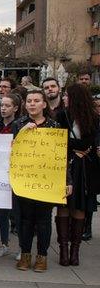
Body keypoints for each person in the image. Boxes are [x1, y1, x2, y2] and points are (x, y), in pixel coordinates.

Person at [14, 90, 62, 272]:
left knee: (43, 220)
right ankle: (25, 254)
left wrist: (67, 181)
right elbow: (10, 151)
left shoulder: (54, 126)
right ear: (25, 105)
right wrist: (22, 133)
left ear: (44, 104)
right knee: (25, 220)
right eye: (29, 101)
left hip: (47, 181)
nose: (32, 104)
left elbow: (60, 156)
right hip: (24, 179)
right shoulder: (19, 124)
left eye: (36, 101)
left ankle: (42, 256)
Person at [55, 83, 99, 266]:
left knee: (80, 207)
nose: (64, 98)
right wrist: (79, 147)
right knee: (63, 204)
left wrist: (77, 146)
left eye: (67, 96)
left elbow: (92, 141)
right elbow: (58, 140)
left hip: (85, 169)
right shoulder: (61, 116)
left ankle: (75, 250)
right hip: (66, 166)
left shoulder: (94, 119)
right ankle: (63, 250)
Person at [0, 93, 23, 258]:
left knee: (18, 212)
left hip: (16, 173)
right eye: (1, 105)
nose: (3, 108)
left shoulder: (21, 126)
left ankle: (22, 247)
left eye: (7, 106)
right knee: (2, 211)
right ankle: (4, 244)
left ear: (16, 108)